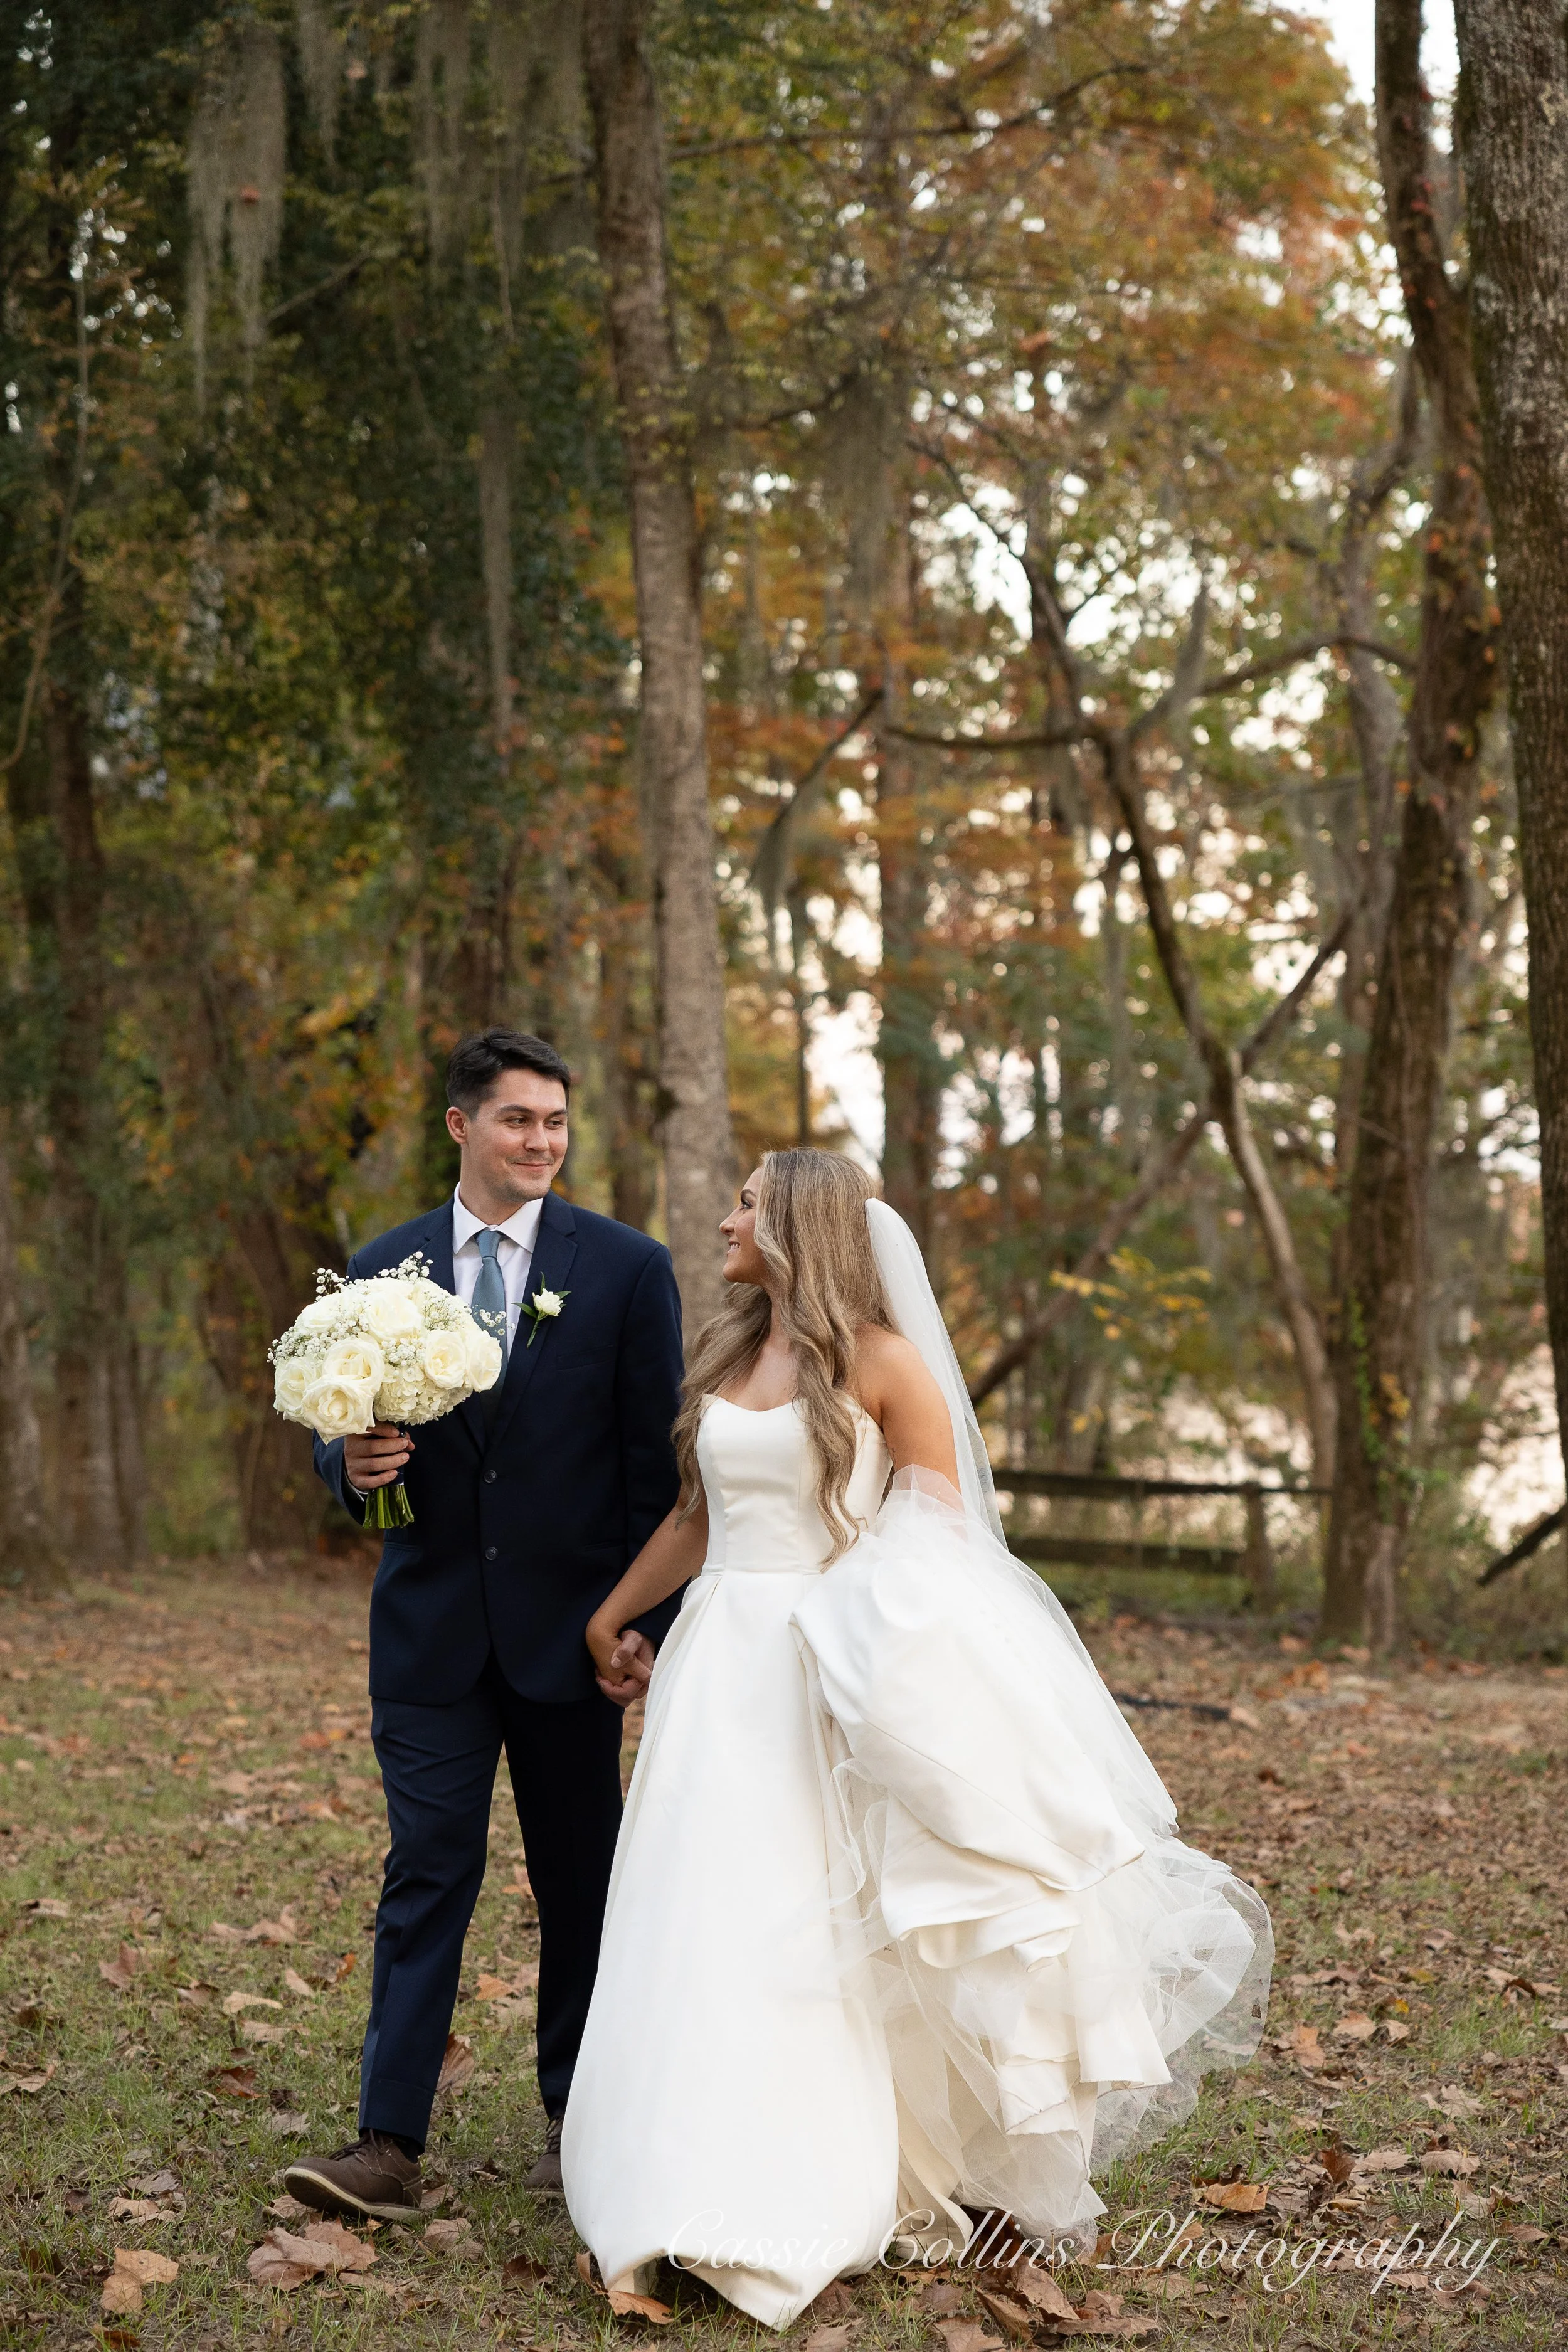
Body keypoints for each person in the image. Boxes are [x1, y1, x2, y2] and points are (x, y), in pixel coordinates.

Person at [561, 1148, 1273, 2327]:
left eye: (747, 1199)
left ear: (799, 1224)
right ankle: (664, 2164)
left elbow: (943, 1549)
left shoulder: (887, 1366)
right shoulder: (734, 1353)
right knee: (689, 1906)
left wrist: (861, 1643)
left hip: (819, 1668)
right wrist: (612, 1612)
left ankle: (806, 2177)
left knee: (803, 1916)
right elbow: (700, 1512)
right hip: (711, 1667)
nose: (728, 1216)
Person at [285, 1029, 684, 2220]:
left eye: (557, 1123)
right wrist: (350, 1464)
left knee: (582, 1882)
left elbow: (650, 1475)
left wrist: (639, 1627)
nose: (543, 1142)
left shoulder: (624, 1268)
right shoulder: (382, 1264)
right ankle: (387, 2142)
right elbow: (334, 1434)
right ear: (461, 1126)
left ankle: (584, 2122)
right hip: (431, 1638)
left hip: (573, 1639)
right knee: (428, 1873)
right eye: (519, 1120)